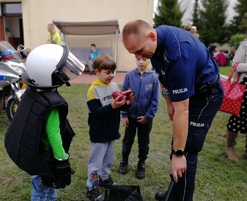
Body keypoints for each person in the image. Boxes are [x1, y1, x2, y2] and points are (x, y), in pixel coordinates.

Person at [122, 20, 223, 201]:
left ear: (152, 36)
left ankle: (182, 197)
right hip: (191, 91)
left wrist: (178, 154)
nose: (138, 58)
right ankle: (172, 193)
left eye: (139, 51)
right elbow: (163, 77)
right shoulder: (154, 45)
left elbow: (182, 110)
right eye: (133, 54)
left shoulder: (178, 53)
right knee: (179, 144)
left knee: (186, 151)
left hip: (206, 95)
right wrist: (169, 102)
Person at [5, 44, 85, 200]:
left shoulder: (33, 91)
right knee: (42, 189)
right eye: (60, 72)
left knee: (43, 185)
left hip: (35, 152)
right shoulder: (51, 105)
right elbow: (54, 135)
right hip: (45, 157)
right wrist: (62, 160)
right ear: (48, 74)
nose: (64, 74)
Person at [86, 53, 134, 200]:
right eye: (107, 72)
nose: (111, 75)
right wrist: (112, 106)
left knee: (109, 159)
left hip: (111, 131)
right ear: (97, 72)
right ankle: (92, 186)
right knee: (96, 163)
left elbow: (117, 108)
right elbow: (96, 113)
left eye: (113, 71)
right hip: (99, 132)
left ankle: (104, 178)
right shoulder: (93, 90)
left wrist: (126, 103)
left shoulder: (113, 85)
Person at [118, 58, 159, 179]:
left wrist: (148, 116)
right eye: (138, 59)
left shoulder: (154, 78)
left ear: (149, 60)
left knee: (143, 142)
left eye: (144, 59)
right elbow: (123, 96)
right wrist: (124, 115)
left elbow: (155, 100)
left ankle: (141, 164)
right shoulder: (129, 76)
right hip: (131, 116)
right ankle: (124, 161)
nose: (141, 62)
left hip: (145, 118)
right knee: (127, 140)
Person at [225, 39, 247, 162]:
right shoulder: (245, 44)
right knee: (237, 117)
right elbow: (235, 65)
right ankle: (230, 147)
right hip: (244, 87)